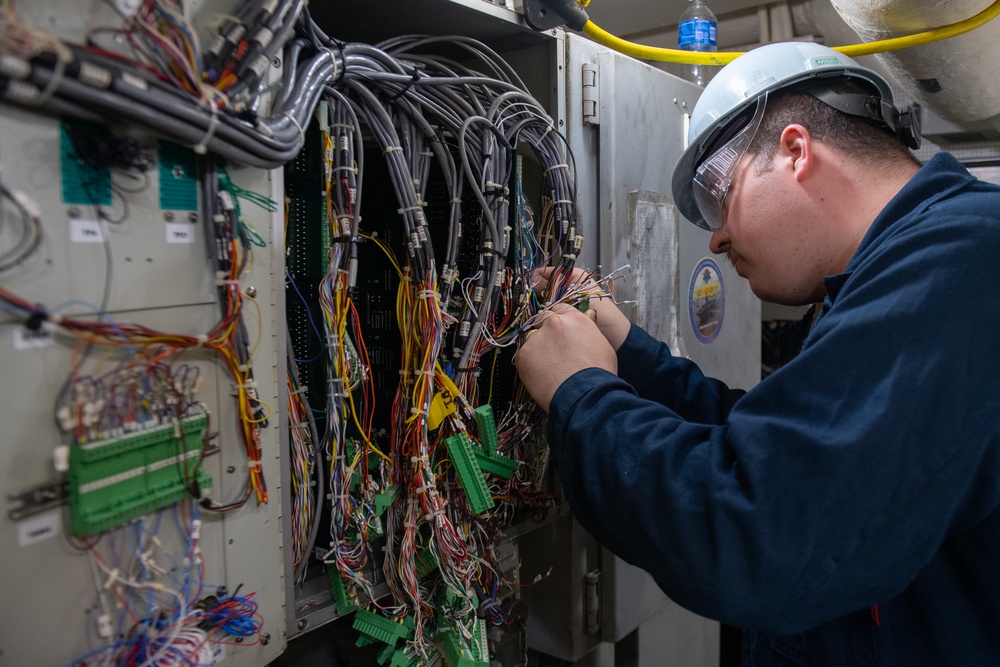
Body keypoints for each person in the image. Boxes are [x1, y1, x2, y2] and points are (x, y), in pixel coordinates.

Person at [514, 41, 1000, 665]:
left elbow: (758, 531)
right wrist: (626, 350)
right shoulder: (900, 270)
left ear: (795, 151)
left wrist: (581, 394)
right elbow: (788, 448)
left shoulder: (960, 262)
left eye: (720, 196)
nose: (715, 238)